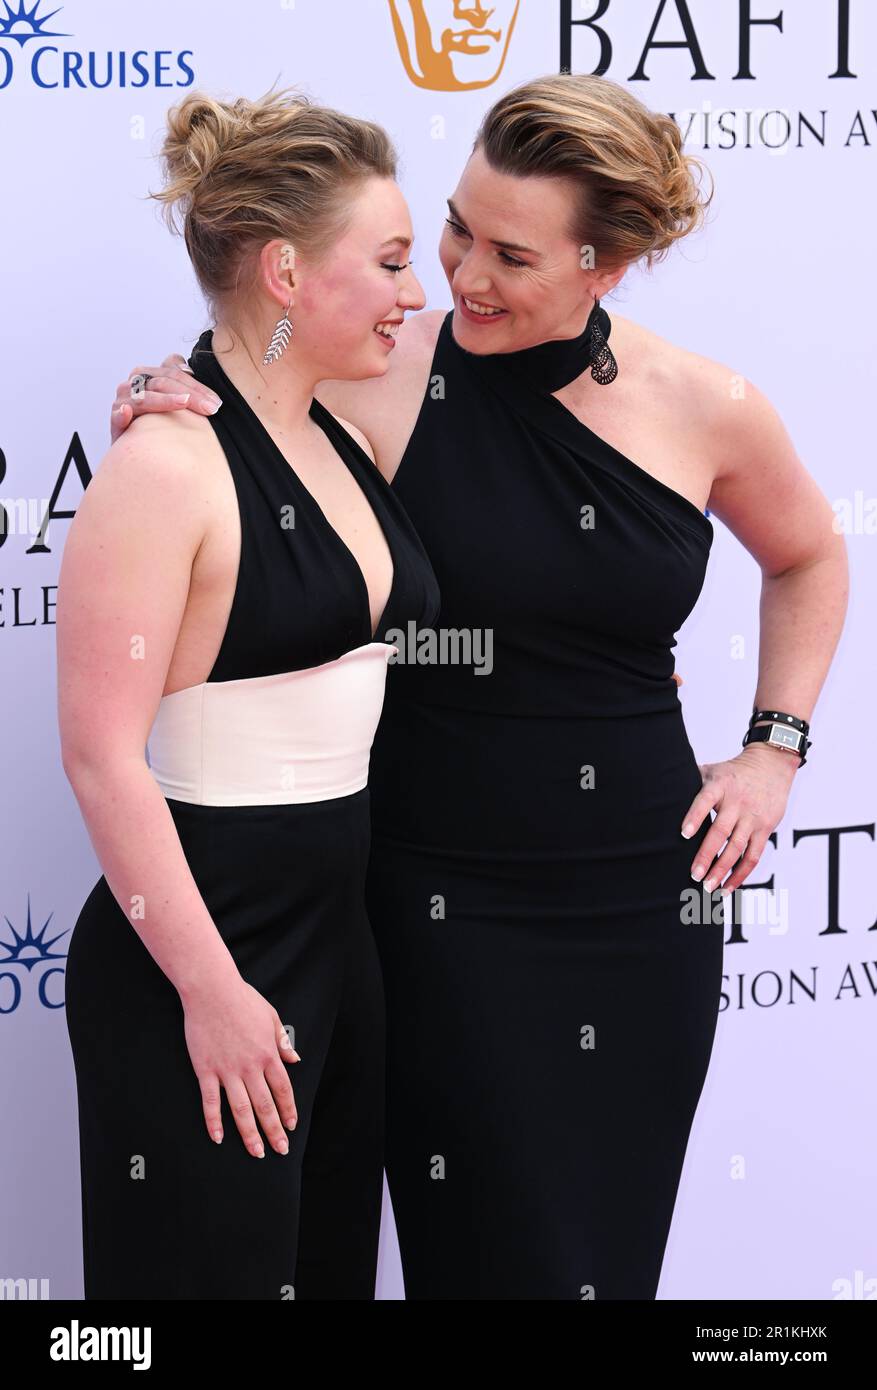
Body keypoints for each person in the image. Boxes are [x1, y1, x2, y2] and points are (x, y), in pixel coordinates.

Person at [109, 74, 848, 1299]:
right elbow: (231, 401)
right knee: (481, 1258)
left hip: (635, 901)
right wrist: (157, 395)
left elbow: (812, 554)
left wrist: (771, 748)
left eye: (511, 253)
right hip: (432, 895)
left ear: (603, 266)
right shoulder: (374, 369)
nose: (460, 274)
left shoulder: (706, 406)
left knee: (599, 1262)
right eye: (456, 228)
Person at [58, 87, 438, 1300]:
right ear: (284, 270)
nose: (416, 290)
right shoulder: (163, 464)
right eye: (388, 260)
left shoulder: (344, 423)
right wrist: (212, 993)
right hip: (202, 954)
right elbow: (102, 756)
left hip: (342, 941)